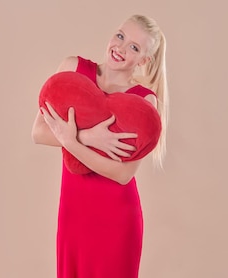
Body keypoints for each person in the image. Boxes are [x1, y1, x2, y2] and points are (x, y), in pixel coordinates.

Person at [31, 14, 169, 278]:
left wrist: (70, 140)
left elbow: (123, 174)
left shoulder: (144, 103)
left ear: (143, 61)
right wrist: (87, 138)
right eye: (120, 36)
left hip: (116, 220)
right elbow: (38, 132)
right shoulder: (72, 70)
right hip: (73, 214)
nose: (120, 48)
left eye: (134, 47)